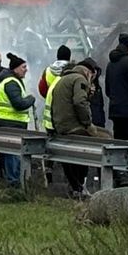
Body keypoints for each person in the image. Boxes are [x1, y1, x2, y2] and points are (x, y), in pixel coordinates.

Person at [50, 59, 104, 193]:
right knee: (105, 139)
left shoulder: (62, 80)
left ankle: (76, 186)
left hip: (60, 126)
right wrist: (88, 124)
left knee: (70, 159)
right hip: (74, 126)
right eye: (92, 75)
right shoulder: (80, 79)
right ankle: (85, 185)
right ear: (88, 72)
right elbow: (80, 102)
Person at [0, 54, 36, 186]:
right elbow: (19, 104)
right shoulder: (11, 83)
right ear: (16, 68)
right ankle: (14, 182)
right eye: (23, 67)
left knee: (9, 153)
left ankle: (10, 178)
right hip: (11, 123)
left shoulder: (11, 80)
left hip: (9, 122)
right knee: (13, 154)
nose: (26, 69)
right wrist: (31, 99)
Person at [39, 45, 72, 130]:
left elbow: (42, 89)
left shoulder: (47, 71)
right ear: (69, 57)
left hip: (51, 107)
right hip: (67, 107)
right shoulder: (72, 70)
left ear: (57, 56)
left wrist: (49, 97)